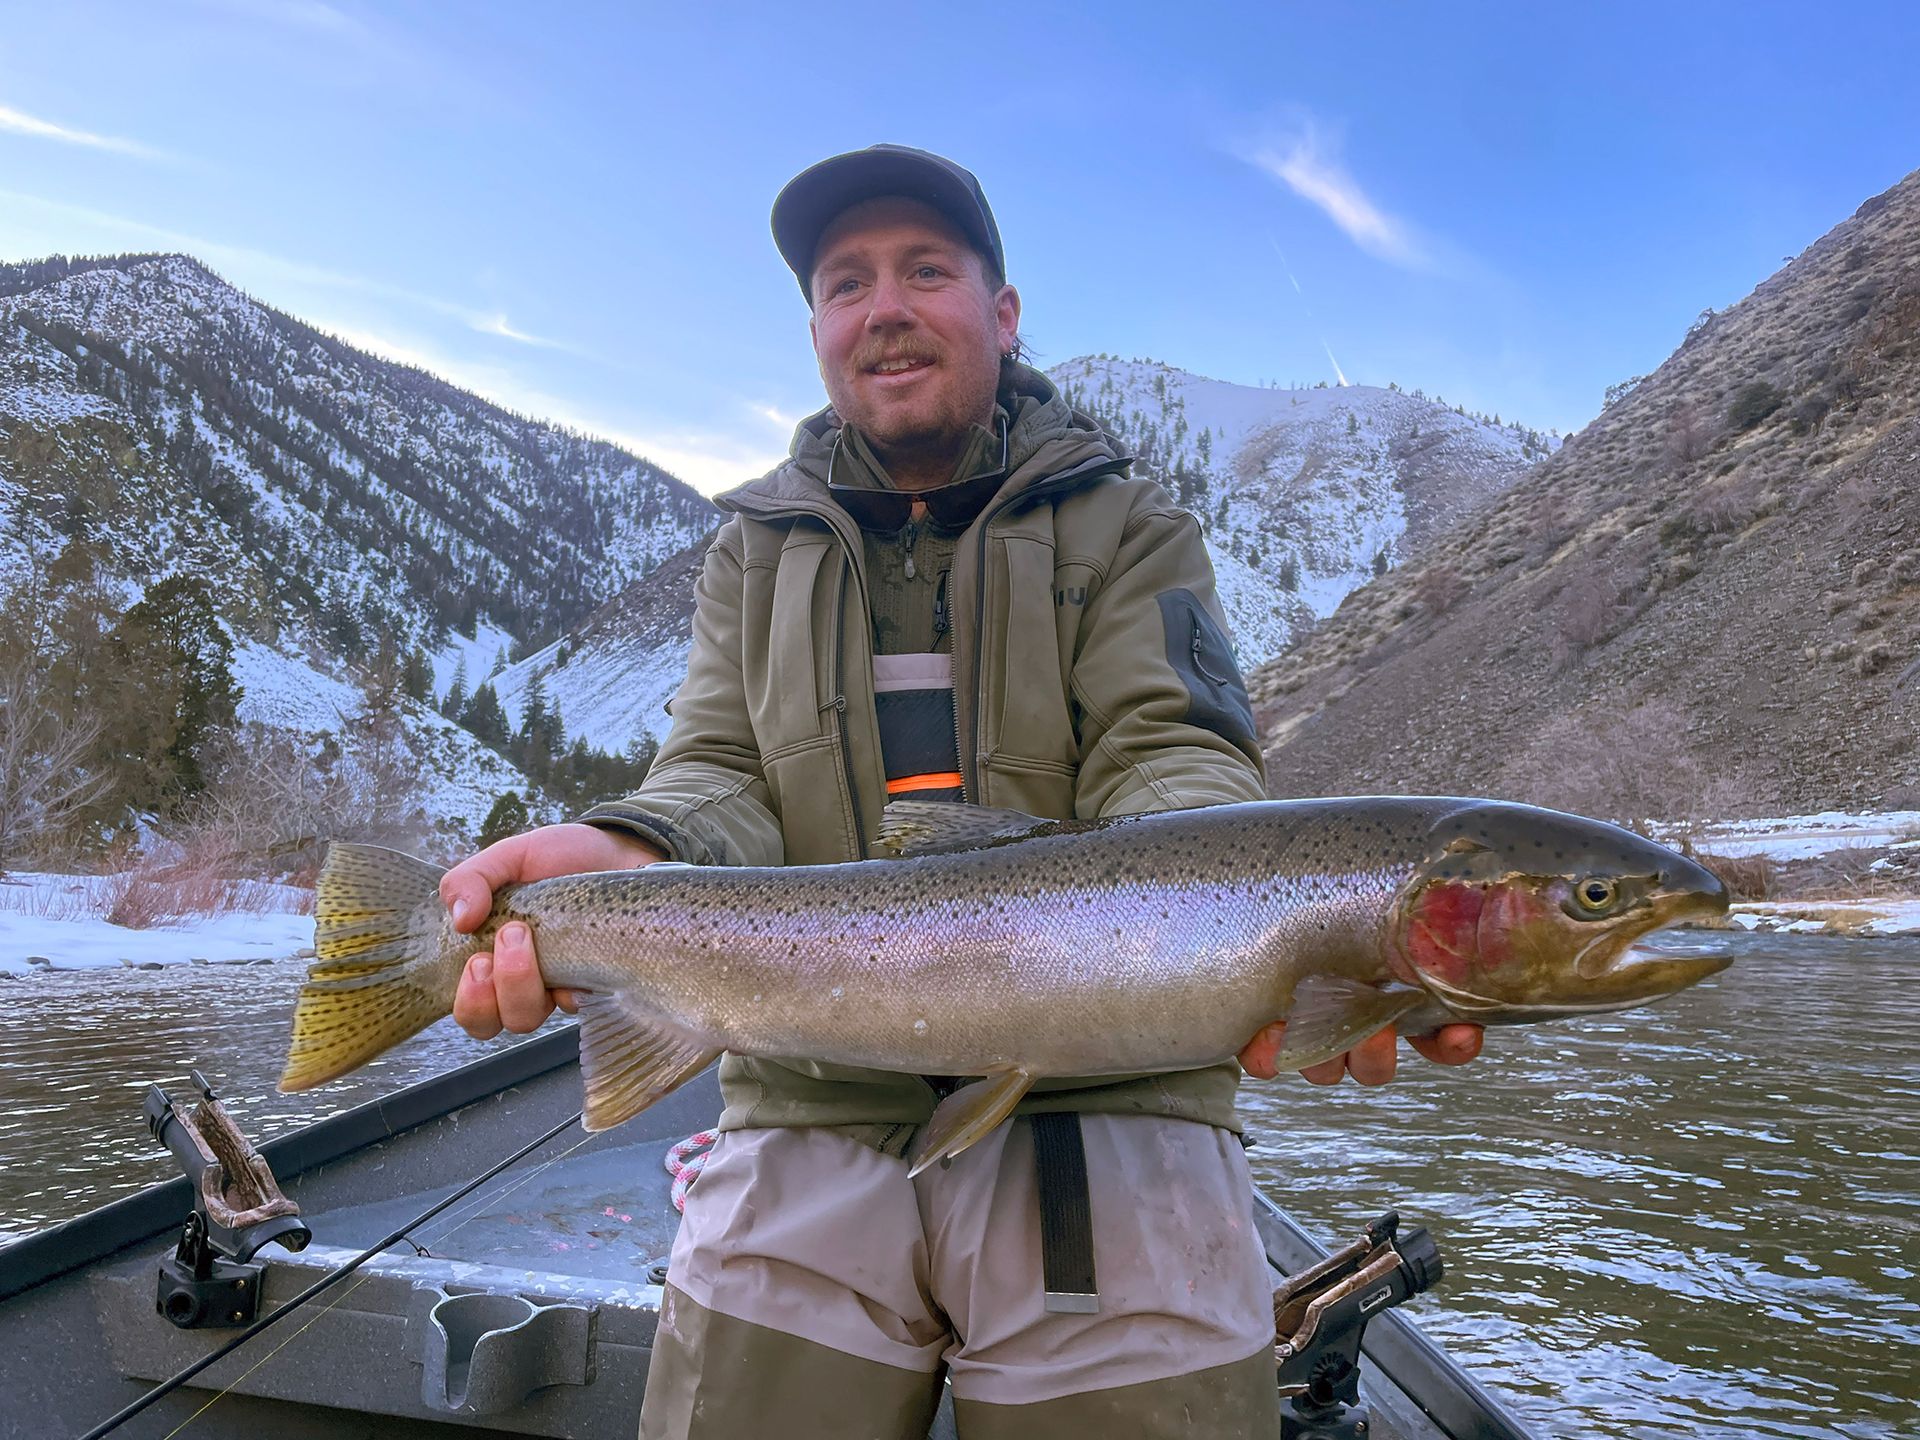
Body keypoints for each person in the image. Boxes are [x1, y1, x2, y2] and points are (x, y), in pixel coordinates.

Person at [442, 144, 1483, 1439]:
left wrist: (1281, 941)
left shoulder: (1129, 522)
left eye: (925, 270)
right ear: (818, 328)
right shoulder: (751, 553)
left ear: (1001, 312)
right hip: (804, 1081)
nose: (884, 304)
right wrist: (620, 845)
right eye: (845, 281)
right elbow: (717, 776)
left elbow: (1180, 750)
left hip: (1112, 1090)